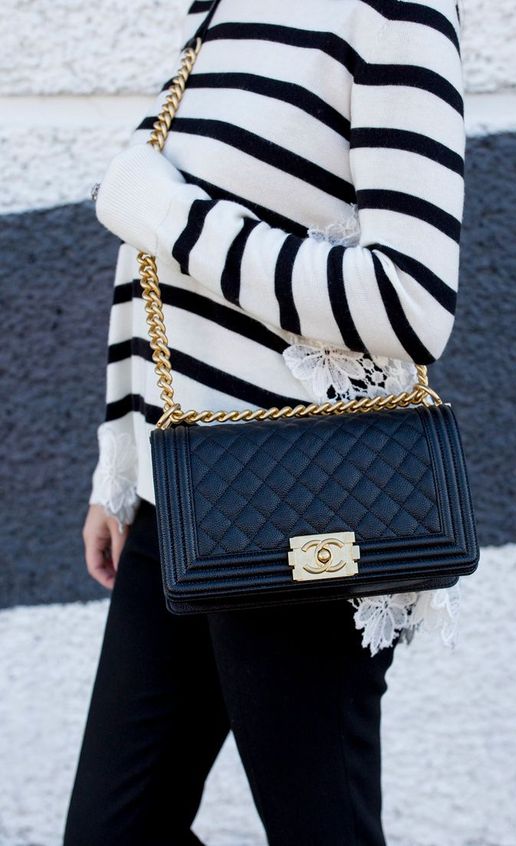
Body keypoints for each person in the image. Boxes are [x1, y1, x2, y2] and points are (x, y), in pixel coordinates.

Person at [63, 1, 466, 843]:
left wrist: (176, 217)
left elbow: (412, 302)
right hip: (181, 497)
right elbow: (155, 280)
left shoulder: (390, 13)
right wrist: (119, 466)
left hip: (304, 513)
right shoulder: (220, 9)